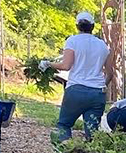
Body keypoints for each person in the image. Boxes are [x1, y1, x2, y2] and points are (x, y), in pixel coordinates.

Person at [43, 11, 111, 142]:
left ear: (77, 26)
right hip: (97, 93)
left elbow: (66, 65)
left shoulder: (72, 41)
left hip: (76, 90)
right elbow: (110, 73)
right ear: (93, 26)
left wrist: (47, 64)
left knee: (64, 125)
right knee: (92, 132)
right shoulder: (102, 45)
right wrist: (103, 87)